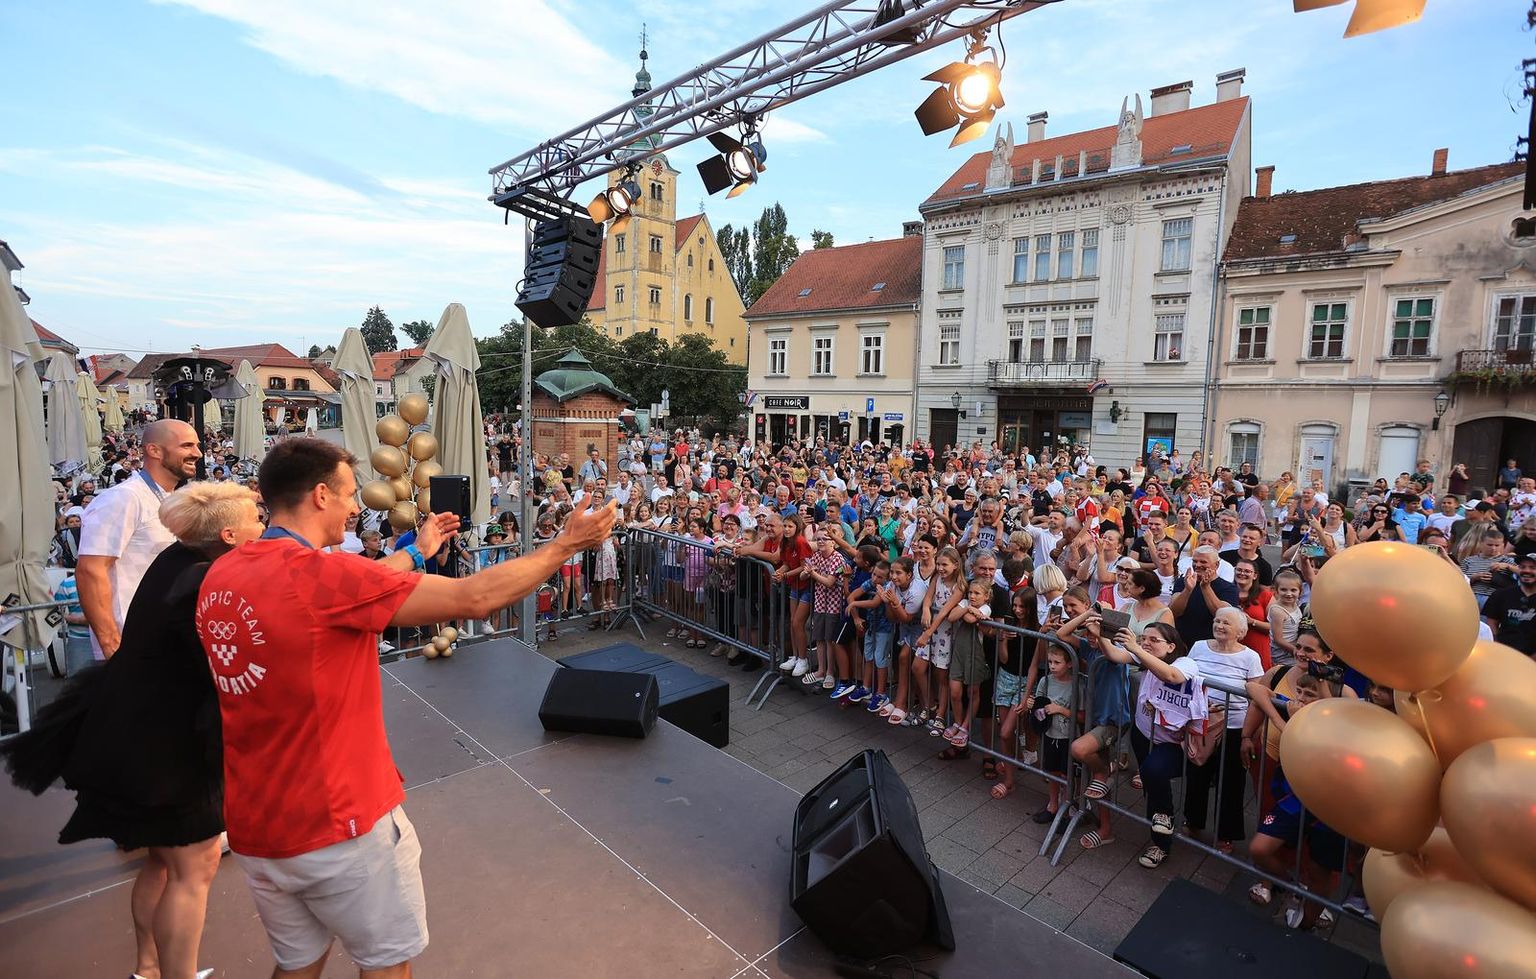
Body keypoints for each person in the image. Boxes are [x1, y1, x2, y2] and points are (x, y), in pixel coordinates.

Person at [194, 438, 617, 978]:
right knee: (387, 966)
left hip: (258, 825)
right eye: (349, 494)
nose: (355, 507)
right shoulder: (321, 579)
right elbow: (474, 598)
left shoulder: (223, 575)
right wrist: (565, 545)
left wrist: (417, 550)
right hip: (340, 825)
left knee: (296, 966)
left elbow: (360, 587)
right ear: (320, 495)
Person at [4, 481, 266, 979]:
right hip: (166, 745)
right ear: (229, 535)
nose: (262, 524)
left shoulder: (174, 560)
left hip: (131, 727)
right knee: (194, 869)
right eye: (255, 518)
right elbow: (211, 667)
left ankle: (148, 969)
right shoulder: (203, 581)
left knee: (161, 862)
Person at [77, 419, 202, 659]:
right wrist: (111, 645)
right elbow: (90, 571)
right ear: (154, 450)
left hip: (165, 641)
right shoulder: (124, 498)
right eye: (187, 446)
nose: (197, 453)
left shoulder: (171, 499)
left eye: (196, 445)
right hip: (131, 645)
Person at [1108, 623, 1201, 869]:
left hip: (1173, 741)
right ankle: (1159, 836)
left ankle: (1163, 835)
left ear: (1171, 646)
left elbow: (1172, 676)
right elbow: (1114, 655)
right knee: (1151, 785)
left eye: (1153, 639)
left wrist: (1137, 648)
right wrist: (1100, 635)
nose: (1146, 642)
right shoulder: (1144, 655)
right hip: (1142, 733)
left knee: (1153, 771)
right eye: (1144, 638)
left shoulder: (1185, 663)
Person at [1184, 608, 1266, 851]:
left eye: (1226, 623)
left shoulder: (1250, 657)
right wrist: (1198, 703)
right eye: (1217, 621)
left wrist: (1250, 734)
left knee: (1231, 781)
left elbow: (1257, 697)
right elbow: (1187, 681)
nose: (1219, 626)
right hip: (1202, 723)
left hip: (1234, 726)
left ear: (1240, 632)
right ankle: (1193, 822)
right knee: (1197, 774)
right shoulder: (1198, 646)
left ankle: (1226, 834)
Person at [1482, 553, 1536, 655]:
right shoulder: (1501, 595)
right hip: (1505, 654)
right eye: (1523, 567)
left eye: (1532, 568)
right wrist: (1497, 647)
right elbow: (1491, 623)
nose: (1527, 571)